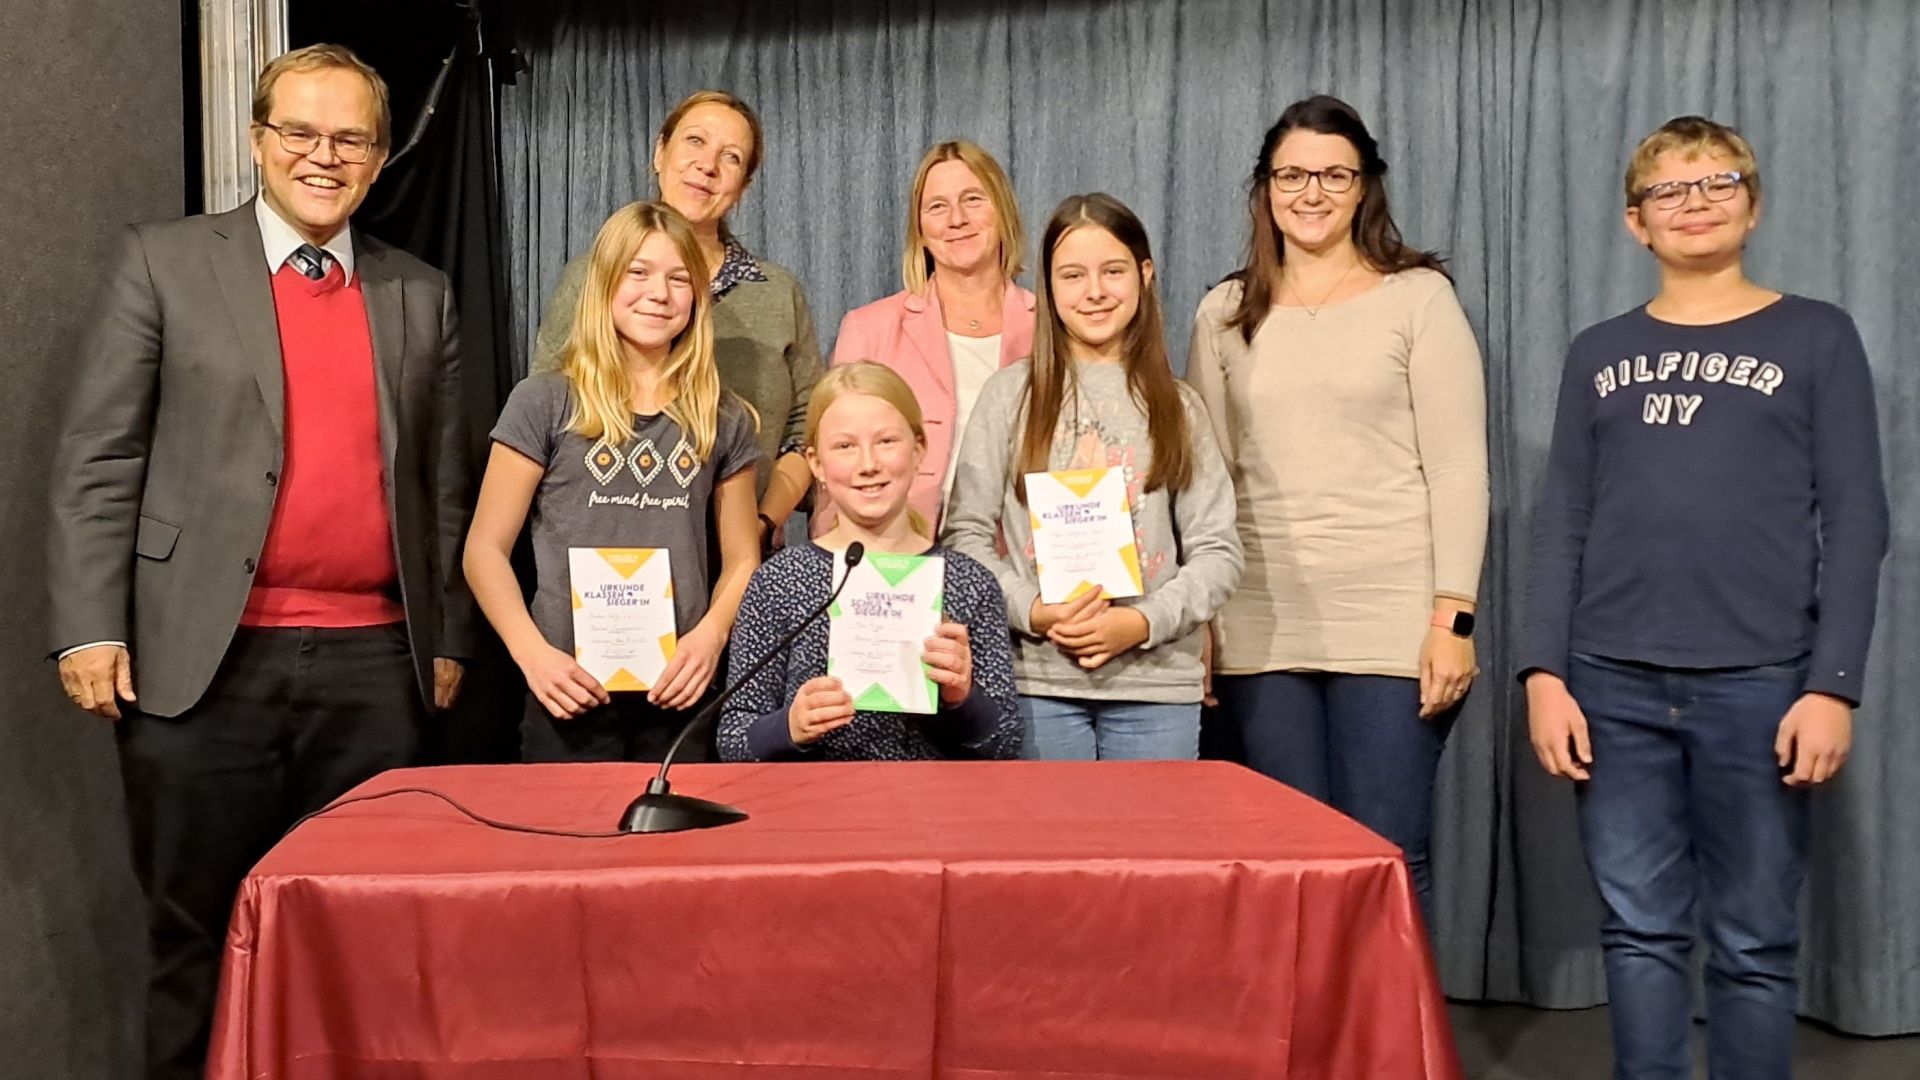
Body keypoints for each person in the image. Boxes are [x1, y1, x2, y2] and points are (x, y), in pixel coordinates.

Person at [46, 44, 472, 1079]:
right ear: (256, 140)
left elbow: (444, 487)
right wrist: (90, 627)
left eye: (351, 140)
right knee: (194, 938)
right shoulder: (163, 261)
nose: (325, 157)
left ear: (380, 158)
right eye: (301, 133)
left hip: (376, 672)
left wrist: (449, 640)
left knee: (364, 944)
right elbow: (101, 456)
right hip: (199, 666)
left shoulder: (421, 294)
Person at [1519, 116, 1888, 1080]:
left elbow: (1857, 520)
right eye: (1669, 190)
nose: (1695, 203)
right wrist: (1543, 674)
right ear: (1635, 221)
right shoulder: (1598, 351)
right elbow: (1562, 519)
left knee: (1755, 938)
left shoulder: (1816, 336)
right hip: (1610, 683)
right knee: (1638, 930)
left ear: (1752, 206)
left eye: (1718, 183)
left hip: (1763, 684)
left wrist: (1832, 685)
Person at [1187, 94, 1489, 924]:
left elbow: (1459, 468)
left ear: (1365, 187)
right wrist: (1203, 622)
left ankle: (1396, 1015)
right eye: (1292, 175)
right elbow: (1207, 483)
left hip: (1393, 624)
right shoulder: (1223, 312)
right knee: (1291, 863)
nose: (1311, 192)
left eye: (1333, 175)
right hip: (1260, 625)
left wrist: (1453, 619)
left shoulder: (1418, 299)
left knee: (1384, 853)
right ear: (1265, 187)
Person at [942, 193, 1242, 761]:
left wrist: (1141, 622)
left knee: (1151, 826)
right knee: (1050, 826)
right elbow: (964, 536)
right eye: (1073, 275)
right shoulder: (1010, 397)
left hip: (1157, 685)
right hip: (1037, 682)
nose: (1095, 291)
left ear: (1145, 275)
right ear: (1049, 288)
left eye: (1113, 271)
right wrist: (1033, 610)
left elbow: (1218, 552)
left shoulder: (1179, 407)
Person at [466, 201, 762, 761]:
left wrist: (711, 637)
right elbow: (484, 549)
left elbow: (744, 557)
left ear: (698, 296)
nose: (659, 293)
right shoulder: (544, 403)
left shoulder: (723, 419)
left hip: (678, 695)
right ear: (603, 282)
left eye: (679, 278)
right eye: (638, 272)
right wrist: (533, 655)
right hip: (567, 694)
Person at [532, 90, 820, 553]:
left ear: (744, 186)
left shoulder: (778, 293)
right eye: (695, 141)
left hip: (742, 556)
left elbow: (808, 427)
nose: (707, 166)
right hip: (611, 552)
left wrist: (762, 522)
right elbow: (547, 414)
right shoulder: (592, 278)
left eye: (731, 157)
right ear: (659, 152)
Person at [718, 362, 1020, 761]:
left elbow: (1004, 744)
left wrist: (961, 697)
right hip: (815, 795)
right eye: (845, 446)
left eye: (886, 441)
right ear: (816, 464)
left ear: (919, 449)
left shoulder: (968, 582)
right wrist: (789, 727)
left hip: (931, 796)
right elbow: (733, 739)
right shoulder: (780, 581)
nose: (868, 464)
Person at [820, 140, 1035, 533]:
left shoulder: (1052, 328)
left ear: (1003, 211)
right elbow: (837, 469)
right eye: (937, 206)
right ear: (919, 230)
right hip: (902, 551)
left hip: (1024, 555)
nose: (957, 219)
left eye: (973, 199)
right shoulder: (869, 329)